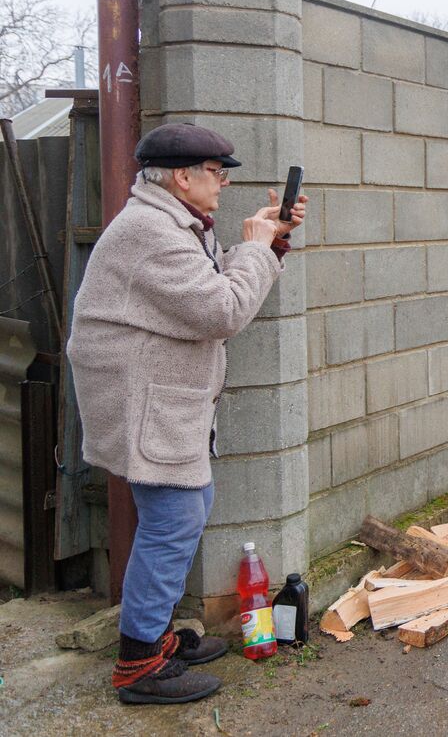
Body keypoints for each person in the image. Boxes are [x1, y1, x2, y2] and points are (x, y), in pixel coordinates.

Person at [67, 123, 308, 705]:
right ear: (182, 176)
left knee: (185, 510)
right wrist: (254, 248)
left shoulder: (174, 223)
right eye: (216, 172)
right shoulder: (151, 231)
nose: (223, 183)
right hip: (143, 402)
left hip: (160, 396)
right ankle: (138, 666)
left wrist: (267, 243)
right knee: (172, 521)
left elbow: (208, 284)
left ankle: (154, 638)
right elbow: (221, 308)